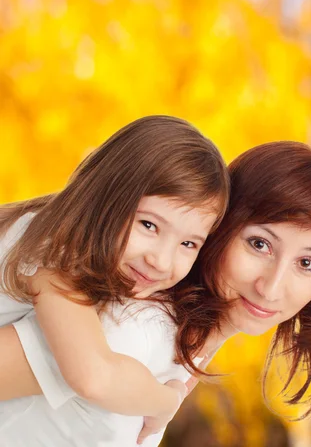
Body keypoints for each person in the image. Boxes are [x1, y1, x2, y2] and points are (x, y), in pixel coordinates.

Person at [0, 140, 311, 446]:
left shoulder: (176, 345)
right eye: (259, 244)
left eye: (307, 264)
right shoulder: (131, 330)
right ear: (218, 228)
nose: (271, 287)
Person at [0, 114, 230, 445]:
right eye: (149, 225)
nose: (161, 260)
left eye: (188, 243)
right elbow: (94, 376)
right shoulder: (57, 251)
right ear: (107, 196)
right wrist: (168, 400)